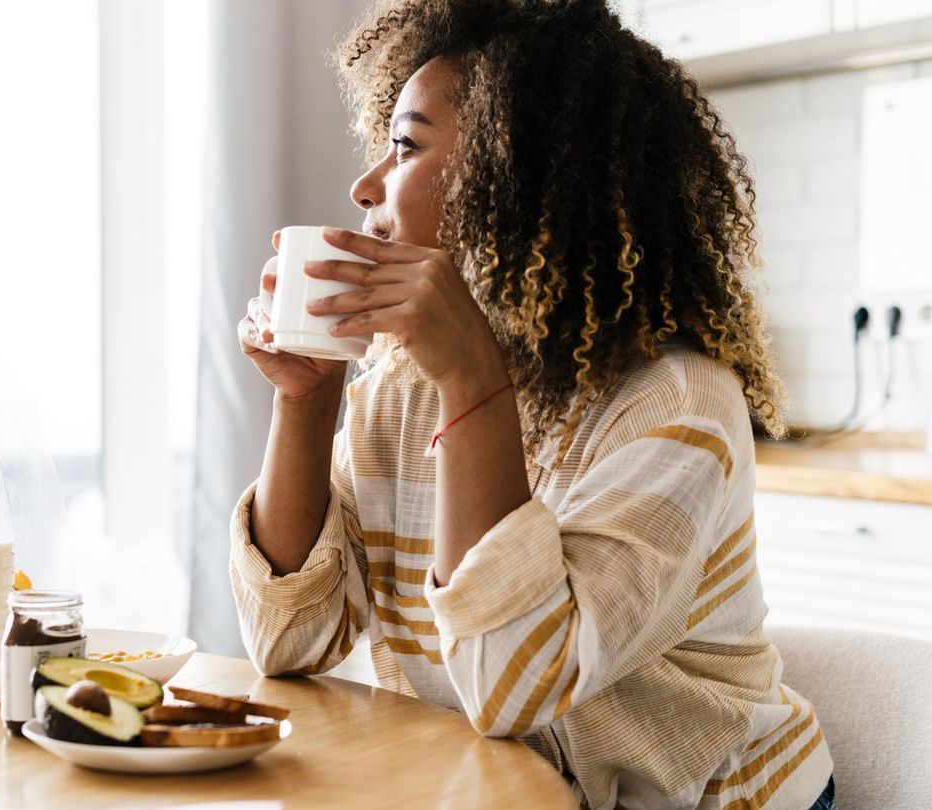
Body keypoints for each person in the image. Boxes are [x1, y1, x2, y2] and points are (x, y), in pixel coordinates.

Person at [231, 1, 836, 808]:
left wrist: (474, 385)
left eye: (405, 145)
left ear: (521, 179)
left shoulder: (677, 405)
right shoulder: (397, 378)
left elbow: (514, 685)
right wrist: (306, 400)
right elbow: (288, 642)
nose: (366, 182)